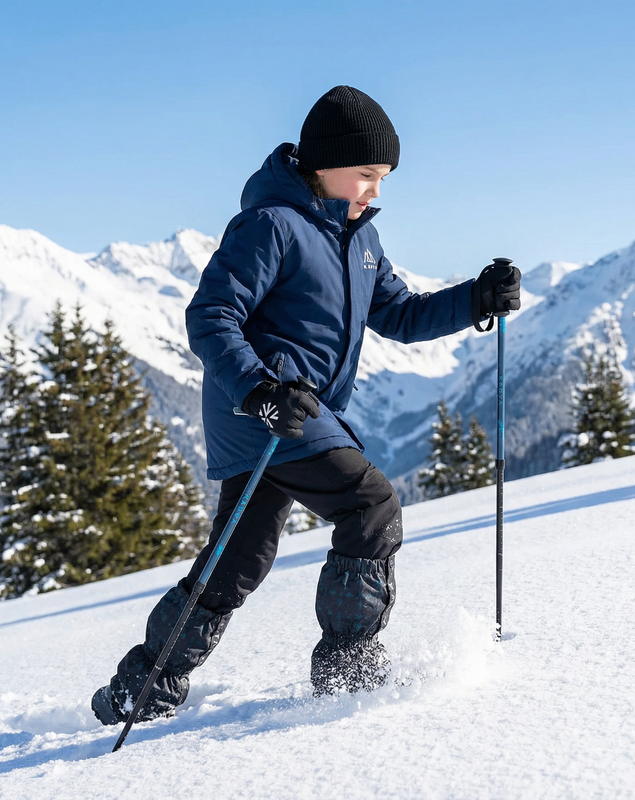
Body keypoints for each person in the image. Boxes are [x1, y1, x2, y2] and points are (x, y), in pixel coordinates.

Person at [91, 85, 520, 725]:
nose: (376, 190)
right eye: (367, 174)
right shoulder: (272, 226)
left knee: (237, 562)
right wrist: (259, 391)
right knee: (370, 505)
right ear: (325, 163)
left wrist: (476, 299)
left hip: (293, 415)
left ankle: (140, 689)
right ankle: (348, 671)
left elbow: (400, 314)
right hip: (266, 412)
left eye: (384, 177)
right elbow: (210, 316)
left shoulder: (360, 240)